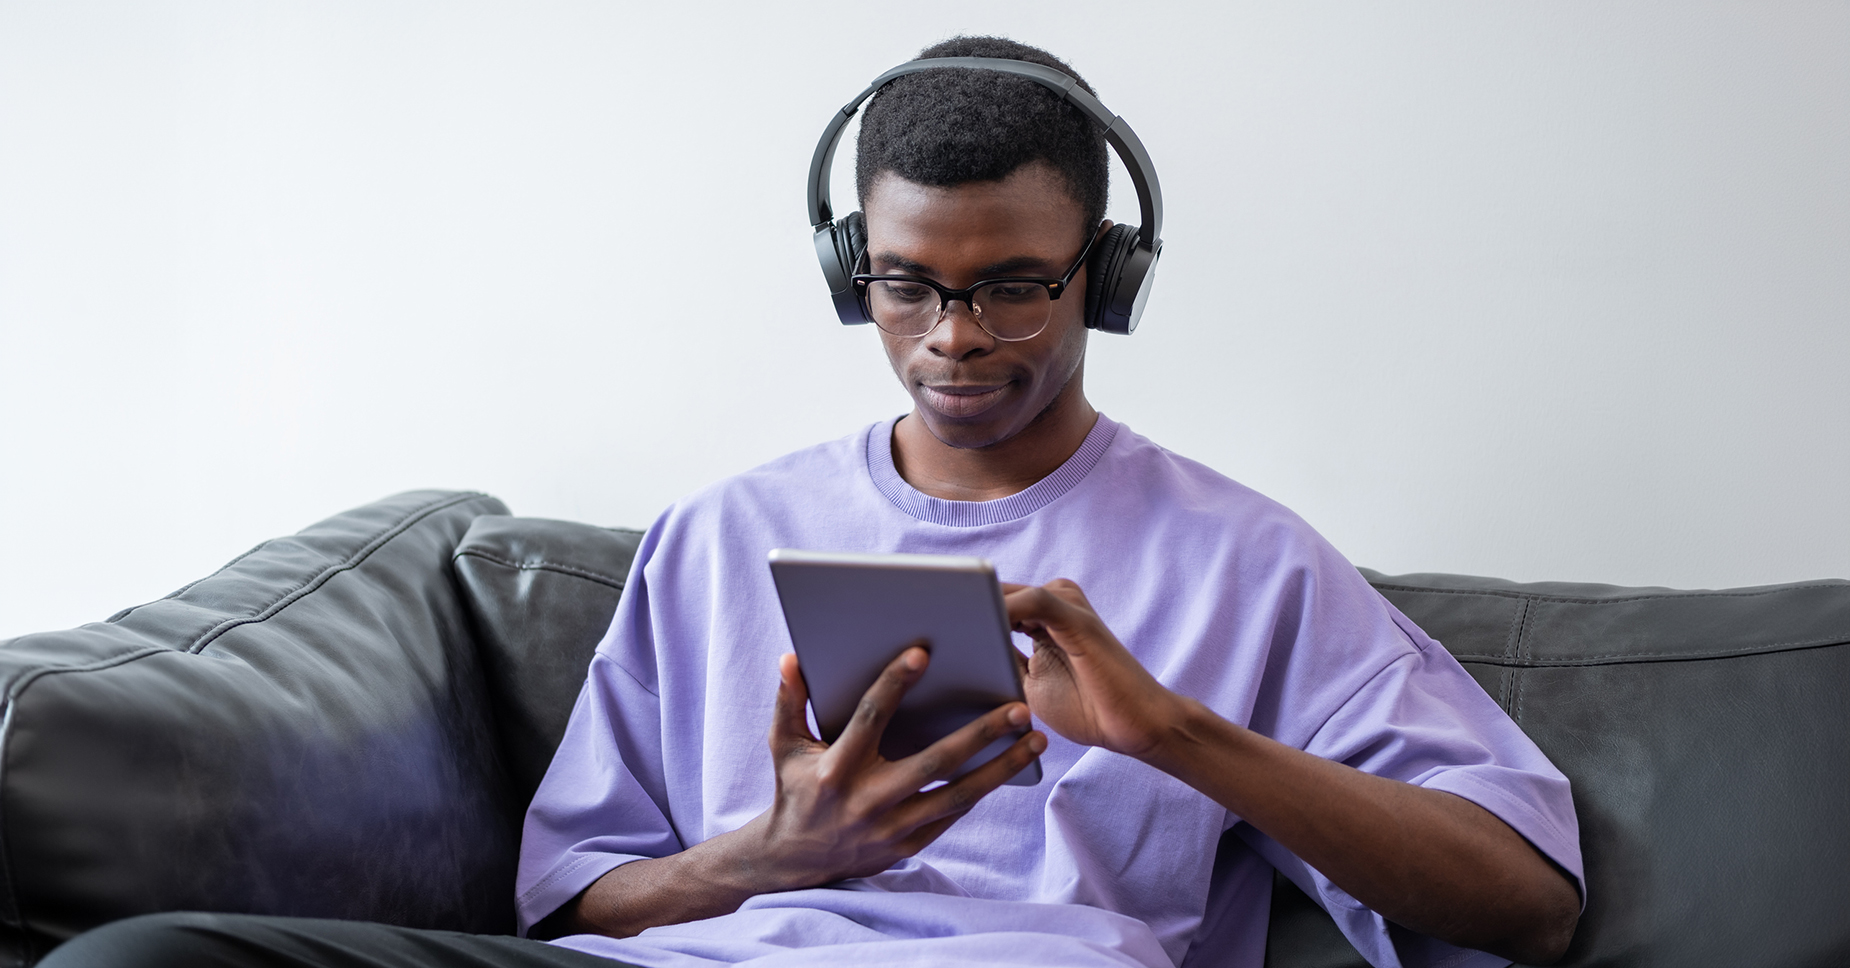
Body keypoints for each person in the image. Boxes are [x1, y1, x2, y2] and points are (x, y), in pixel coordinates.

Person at [45, 35, 1581, 968]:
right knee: (145, 960)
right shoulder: (722, 534)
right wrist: (769, 860)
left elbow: (1523, 904)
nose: (955, 339)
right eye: (907, 285)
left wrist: (1173, 733)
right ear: (854, 267)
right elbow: (572, 907)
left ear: (1104, 279)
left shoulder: (1241, 562)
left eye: (1015, 290)